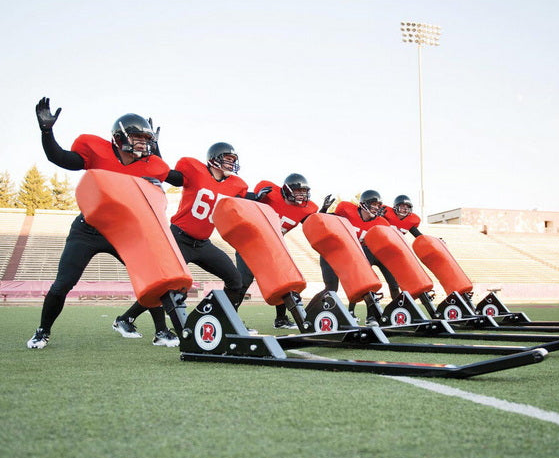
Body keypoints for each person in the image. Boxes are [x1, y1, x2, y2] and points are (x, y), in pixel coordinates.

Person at [28, 97, 181, 349]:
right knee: (63, 283)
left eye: (146, 139)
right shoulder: (97, 152)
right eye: (137, 138)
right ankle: (42, 331)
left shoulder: (150, 165)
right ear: (119, 138)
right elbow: (61, 158)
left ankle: (162, 332)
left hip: (124, 234)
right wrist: (47, 132)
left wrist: (159, 151)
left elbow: (172, 177)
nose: (143, 144)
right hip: (88, 229)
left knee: (154, 278)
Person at [113, 142, 248, 336]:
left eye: (233, 160)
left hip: (203, 243)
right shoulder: (195, 171)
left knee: (236, 280)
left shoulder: (235, 185)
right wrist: (155, 151)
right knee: (165, 286)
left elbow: (245, 200)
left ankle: (224, 319)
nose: (230, 164)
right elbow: (168, 174)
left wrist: (260, 199)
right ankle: (126, 318)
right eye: (227, 159)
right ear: (213, 159)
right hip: (178, 239)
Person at [235, 173, 320, 329]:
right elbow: (236, 198)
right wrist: (254, 197)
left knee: (283, 281)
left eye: (304, 191)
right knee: (242, 282)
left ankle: (281, 319)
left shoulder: (306, 208)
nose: (301, 195)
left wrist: (326, 210)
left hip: (272, 247)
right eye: (298, 191)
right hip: (250, 244)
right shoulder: (269, 194)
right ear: (287, 190)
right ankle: (230, 319)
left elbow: (312, 222)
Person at [319, 189, 399, 325]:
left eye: (378, 205)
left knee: (368, 283)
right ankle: (316, 313)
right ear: (363, 204)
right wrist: (324, 208)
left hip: (356, 255)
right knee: (331, 287)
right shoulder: (346, 212)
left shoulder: (381, 222)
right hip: (334, 251)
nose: (376, 208)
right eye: (373, 204)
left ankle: (371, 316)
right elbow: (321, 220)